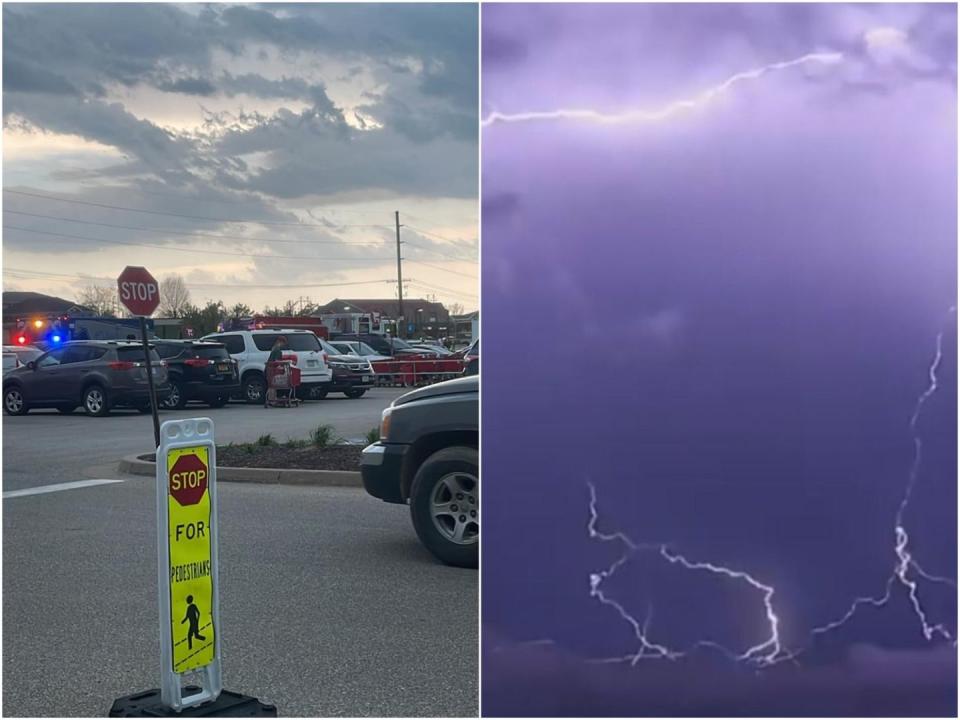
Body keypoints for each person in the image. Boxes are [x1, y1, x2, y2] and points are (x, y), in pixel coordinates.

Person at [264, 336, 288, 407]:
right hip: (272, 369)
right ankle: (272, 400)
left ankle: (270, 399)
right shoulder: (278, 350)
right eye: (283, 343)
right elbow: (277, 361)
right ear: (280, 342)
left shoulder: (273, 348)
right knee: (273, 385)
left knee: (271, 385)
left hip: (268, 368)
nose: (283, 345)